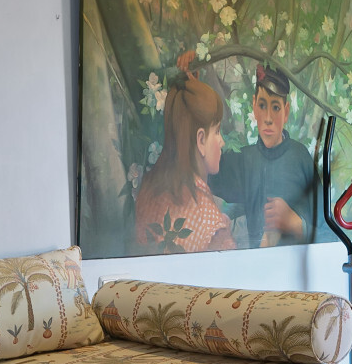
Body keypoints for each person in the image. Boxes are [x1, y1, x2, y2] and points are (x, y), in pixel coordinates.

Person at [210, 64, 314, 248]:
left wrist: (297, 224)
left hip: (295, 260)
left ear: (286, 112)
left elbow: (325, 225)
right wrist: (226, 214)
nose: (268, 118)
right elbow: (240, 196)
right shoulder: (245, 159)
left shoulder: (300, 157)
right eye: (262, 106)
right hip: (257, 260)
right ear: (254, 107)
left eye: (276, 107)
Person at [132, 72, 236, 254]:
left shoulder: (148, 190)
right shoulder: (213, 227)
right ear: (201, 140)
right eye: (217, 131)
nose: (222, 142)